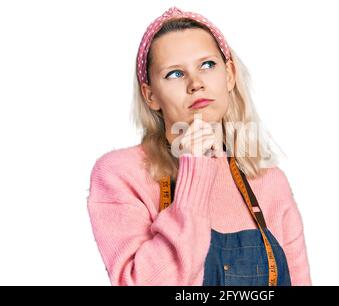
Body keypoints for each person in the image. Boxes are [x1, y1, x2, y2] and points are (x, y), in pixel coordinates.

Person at [87, 6, 311, 286]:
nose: (196, 84)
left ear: (229, 75)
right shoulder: (121, 174)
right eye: (174, 74)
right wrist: (196, 168)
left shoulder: (269, 183)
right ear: (151, 95)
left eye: (207, 65)